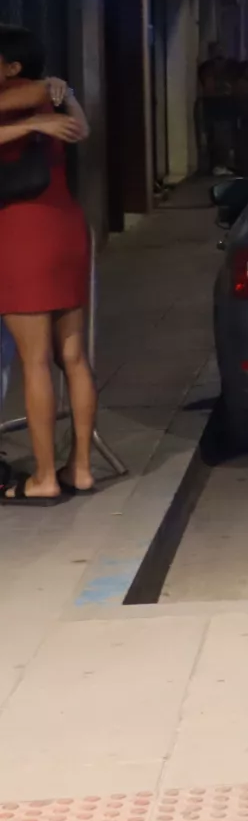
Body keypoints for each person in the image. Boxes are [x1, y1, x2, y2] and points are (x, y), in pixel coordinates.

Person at [0, 26, 95, 503]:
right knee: (73, 358)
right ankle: (80, 469)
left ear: (12, 67)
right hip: (67, 227)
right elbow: (83, 129)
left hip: (22, 232)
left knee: (35, 361)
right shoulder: (50, 97)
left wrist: (33, 119)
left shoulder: (21, 97)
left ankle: (43, 478)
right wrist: (60, 98)